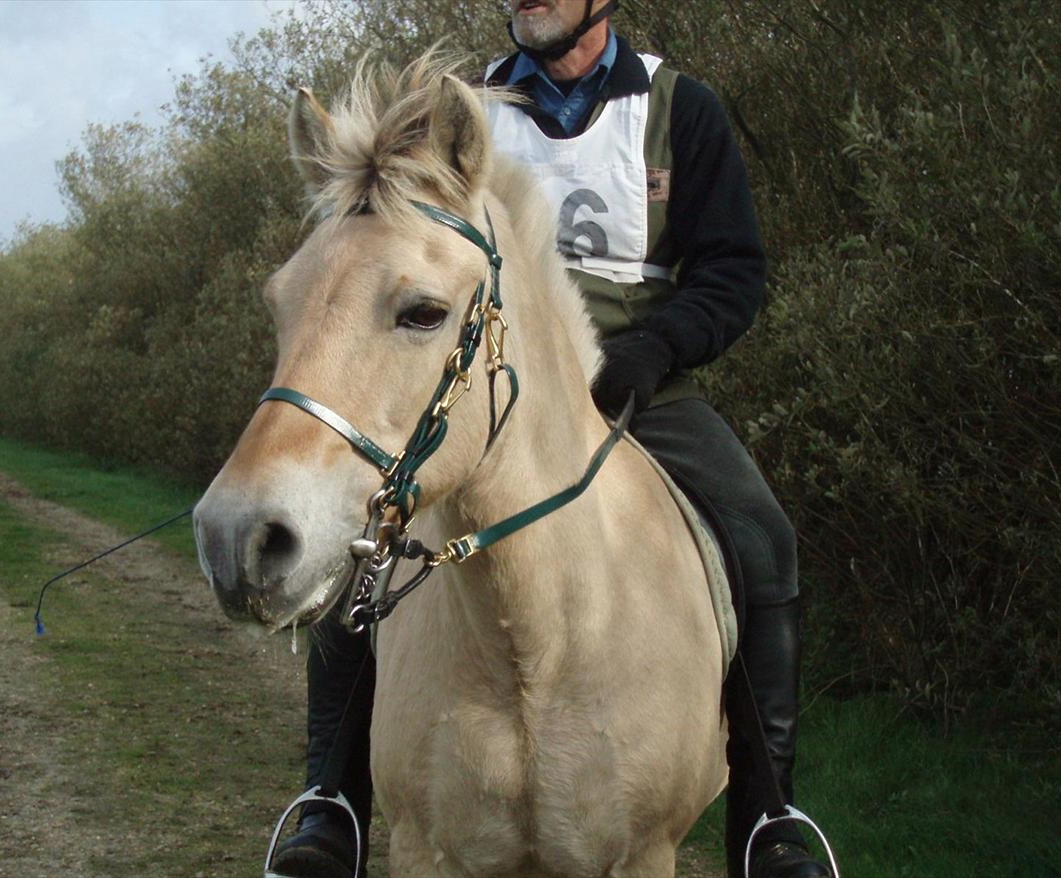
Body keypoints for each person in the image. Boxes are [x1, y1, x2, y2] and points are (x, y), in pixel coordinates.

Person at [271, 2, 832, 877]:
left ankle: (769, 822)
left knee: (762, 538)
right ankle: (330, 802)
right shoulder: (460, 118)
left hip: (635, 382)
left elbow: (732, 269)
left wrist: (657, 347)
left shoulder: (681, 108)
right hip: (485, 377)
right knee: (365, 545)